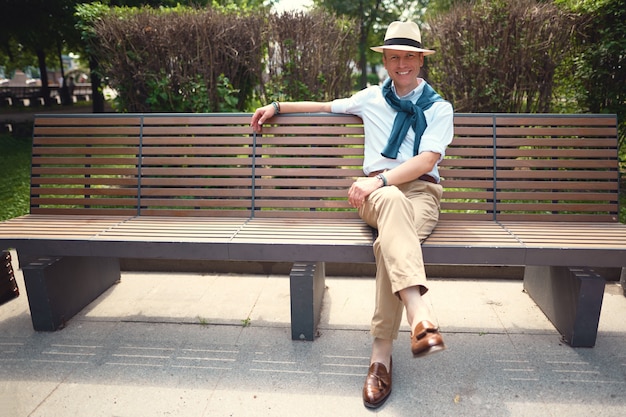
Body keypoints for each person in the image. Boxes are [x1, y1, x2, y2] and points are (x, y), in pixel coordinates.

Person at [250, 21, 454, 409]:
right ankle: (420, 313)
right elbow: (324, 107)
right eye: (394, 56)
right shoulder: (371, 98)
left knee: (387, 246)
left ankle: (381, 359)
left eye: (409, 56)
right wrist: (277, 106)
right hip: (380, 198)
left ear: (420, 60)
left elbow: (427, 160)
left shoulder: (438, 108)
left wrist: (378, 182)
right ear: (386, 62)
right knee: (391, 203)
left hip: (422, 194)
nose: (401, 63)